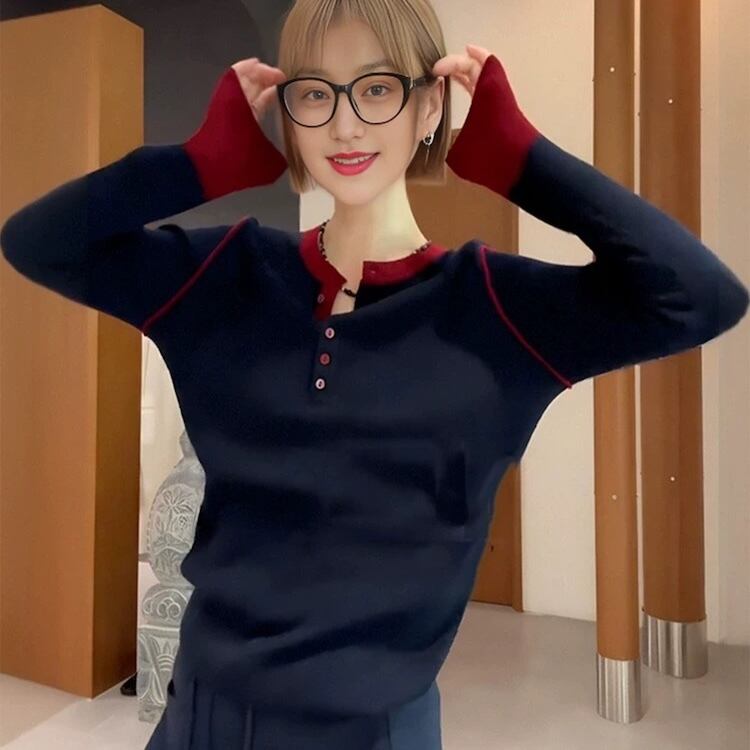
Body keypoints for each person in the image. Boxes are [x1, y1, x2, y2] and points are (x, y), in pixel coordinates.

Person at [1, 0, 747, 748]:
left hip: (371, 733)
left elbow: (700, 296)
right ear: (289, 114)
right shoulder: (224, 275)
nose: (345, 125)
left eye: (378, 88)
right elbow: (38, 241)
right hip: (201, 717)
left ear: (430, 107)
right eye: (315, 94)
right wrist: (200, 162)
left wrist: (525, 163)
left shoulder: (495, 310)